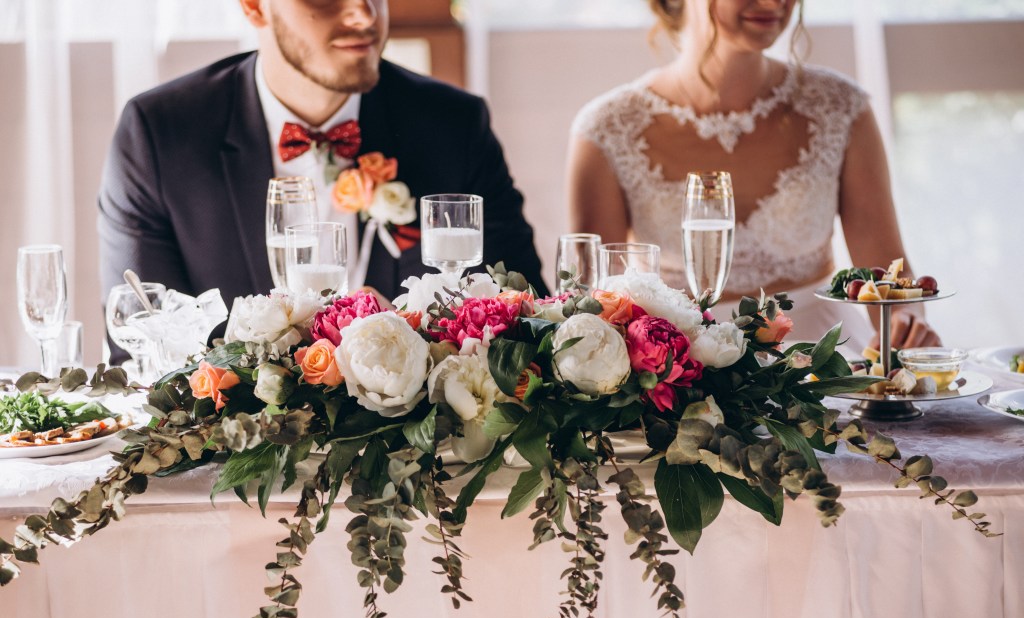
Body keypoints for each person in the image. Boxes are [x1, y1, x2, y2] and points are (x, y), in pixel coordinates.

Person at [98, 0, 548, 323]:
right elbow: (142, 337)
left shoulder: (454, 125)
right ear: (254, 7)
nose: (364, 13)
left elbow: (526, 312)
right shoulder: (160, 134)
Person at [567, 0, 940, 349]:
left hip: (823, 365)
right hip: (680, 377)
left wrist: (907, 319)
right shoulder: (607, 129)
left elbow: (888, 274)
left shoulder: (840, 109)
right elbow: (597, 304)